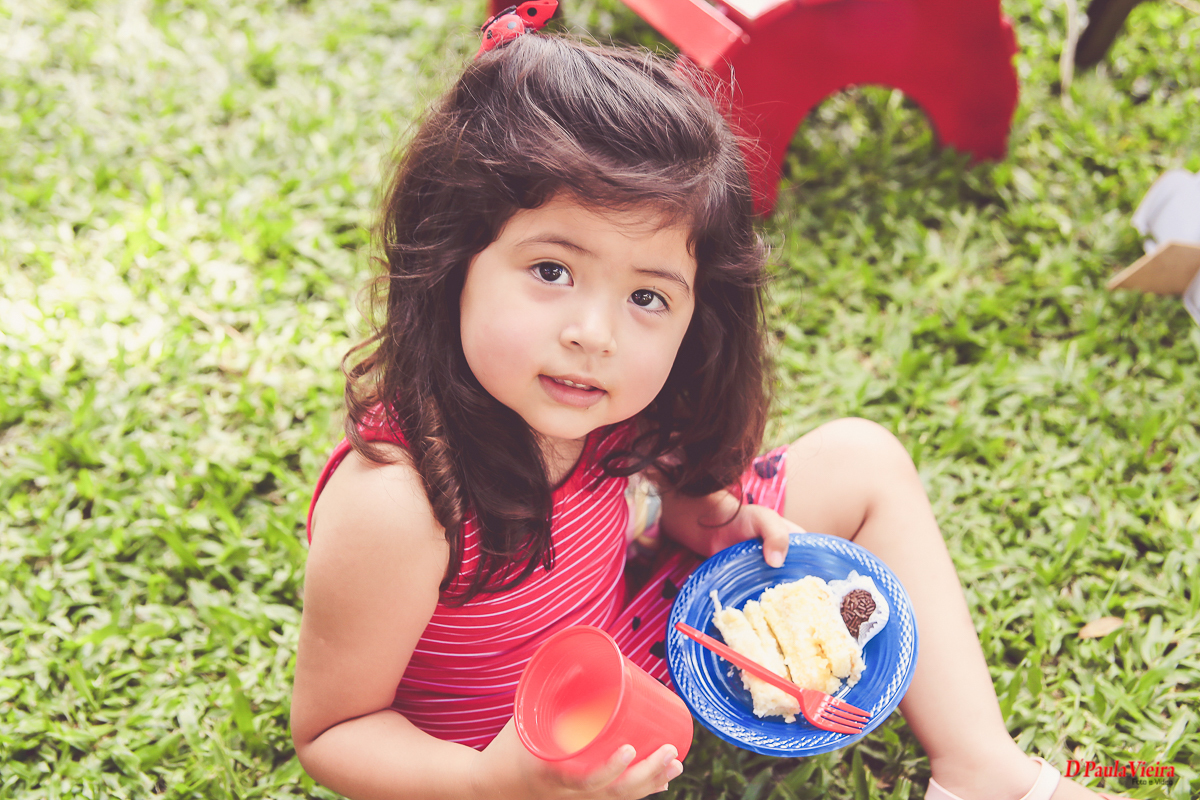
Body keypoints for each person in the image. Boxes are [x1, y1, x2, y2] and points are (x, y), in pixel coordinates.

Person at [289, 16, 1125, 800]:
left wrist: (697, 513)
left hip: (629, 648)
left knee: (864, 460)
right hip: (500, 758)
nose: (595, 335)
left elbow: (636, 491)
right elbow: (334, 732)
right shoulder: (397, 505)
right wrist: (491, 783)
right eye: (551, 271)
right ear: (452, 260)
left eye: (648, 295)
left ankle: (982, 770)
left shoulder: (600, 399)